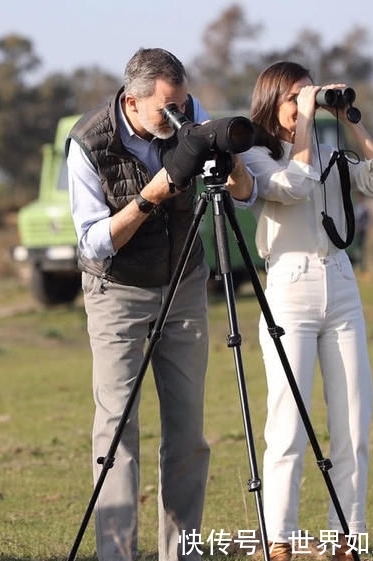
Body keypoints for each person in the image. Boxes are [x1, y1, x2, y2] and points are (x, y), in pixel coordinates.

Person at [66, 47, 255, 561]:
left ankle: (183, 553)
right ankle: (118, 553)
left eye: (184, 104)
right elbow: (94, 243)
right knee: (118, 428)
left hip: (184, 283)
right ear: (132, 100)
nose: (178, 117)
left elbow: (245, 194)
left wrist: (223, 151)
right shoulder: (89, 142)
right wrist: (155, 191)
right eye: (166, 109)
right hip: (118, 291)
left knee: (189, 430)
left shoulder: (190, 119)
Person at [240, 61, 373, 561]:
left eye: (310, 95)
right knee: (287, 426)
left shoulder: (330, 152)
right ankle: (280, 540)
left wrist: (349, 118)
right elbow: (294, 186)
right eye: (295, 97)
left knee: (354, 422)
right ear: (272, 102)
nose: (304, 104)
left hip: (342, 285)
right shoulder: (256, 156)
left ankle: (345, 537)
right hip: (289, 288)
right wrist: (305, 124)